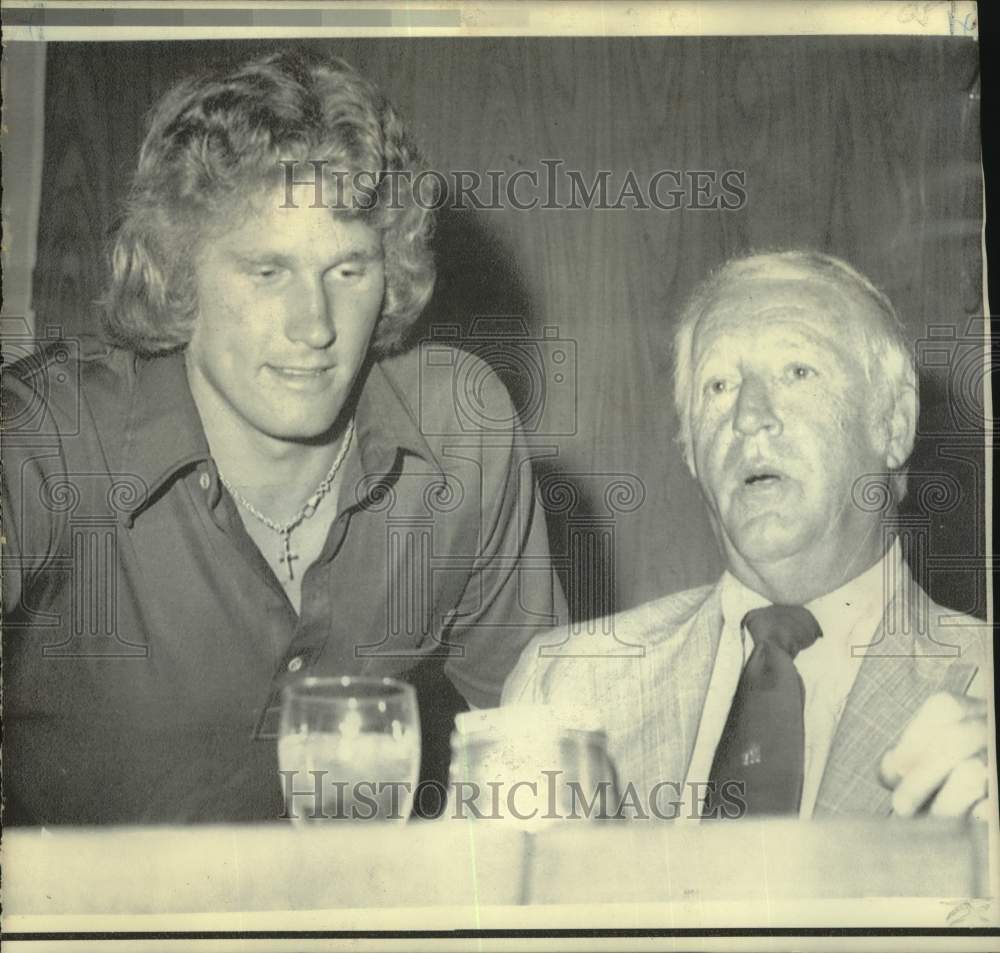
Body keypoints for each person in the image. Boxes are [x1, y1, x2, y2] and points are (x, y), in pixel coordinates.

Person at [2, 49, 566, 825]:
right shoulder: (48, 435)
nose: (315, 328)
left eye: (348, 271)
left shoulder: (460, 428)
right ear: (178, 274)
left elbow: (539, 750)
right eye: (267, 272)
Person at [504, 251, 991, 821]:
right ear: (688, 448)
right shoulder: (565, 685)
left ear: (893, 424)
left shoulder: (984, 690)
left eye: (798, 372)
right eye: (718, 386)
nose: (749, 416)